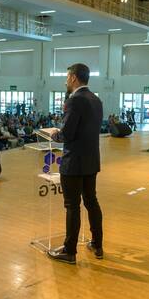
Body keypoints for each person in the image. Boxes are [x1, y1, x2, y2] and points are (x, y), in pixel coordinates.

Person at [48, 63, 104, 264]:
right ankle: (97, 244)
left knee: (72, 206)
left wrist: (55, 134)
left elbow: (67, 134)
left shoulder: (75, 100)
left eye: (67, 77)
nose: (65, 81)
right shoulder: (96, 100)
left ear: (73, 77)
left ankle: (69, 251)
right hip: (91, 161)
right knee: (91, 202)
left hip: (73, 163)